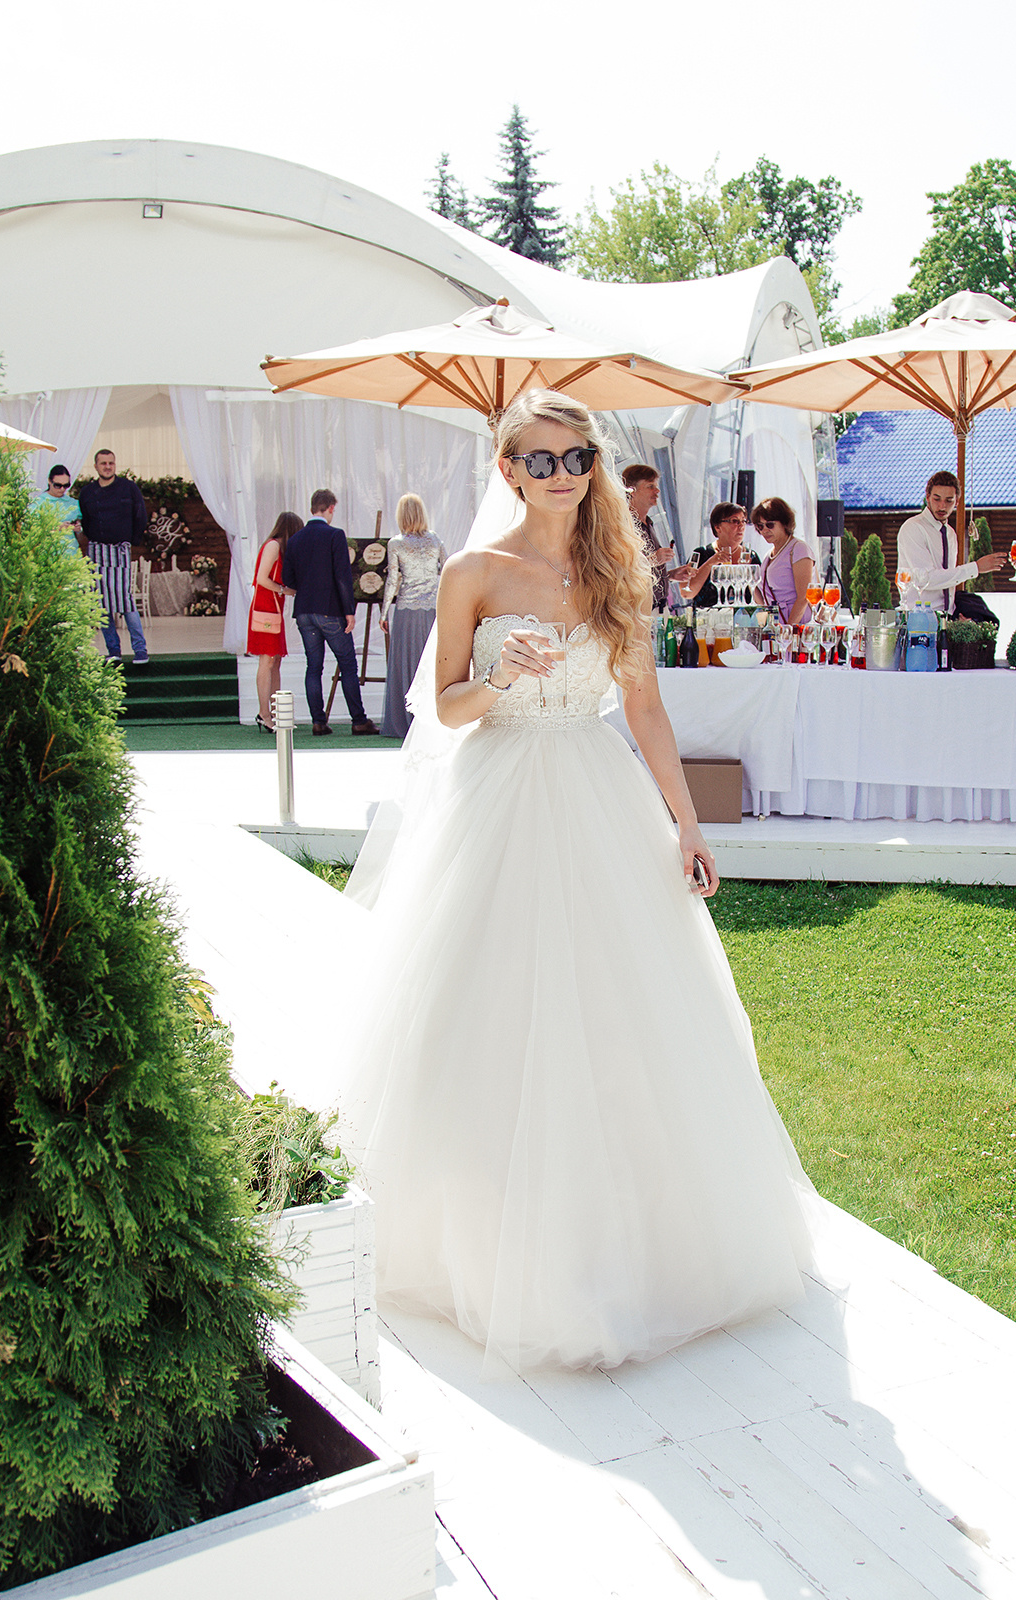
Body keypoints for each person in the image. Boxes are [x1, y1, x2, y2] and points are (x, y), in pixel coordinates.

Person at [336, 388, 812, 1374]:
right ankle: (484, 1235)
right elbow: (450, 711)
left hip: (599, 796)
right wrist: (499, 672)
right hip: (498, 795)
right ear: (507, 470)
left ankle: (632, 1242)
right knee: (488, 1009)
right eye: (540, 459)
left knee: (622, 1013)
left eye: (577, 457)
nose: (561, 474)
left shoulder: (616, 570)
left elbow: (645, 711)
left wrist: (686, 820)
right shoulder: (473, 570)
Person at [284, 489, 379, 736]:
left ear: (312, 507)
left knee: (313, 667)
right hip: (331, 612)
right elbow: (343, 576)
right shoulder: (335, 535)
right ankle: (358, 720)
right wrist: (349, 611)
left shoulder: (295, 540)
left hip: (304, 611)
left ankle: (318, 721)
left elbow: (288, 579)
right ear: (331, 508)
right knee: (347, 665)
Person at [895, 471, 1008, 612]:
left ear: (957, 501)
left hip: (947, 618)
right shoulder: (913, 528)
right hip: (919, 617)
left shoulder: (950, 533)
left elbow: (948, 580)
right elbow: (927, 579)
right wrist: (976, 568)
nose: (942, 506)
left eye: (949, 501)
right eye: (937, 499)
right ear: (928, 497)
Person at [76, 449, 150, 664]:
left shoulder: (128, 488)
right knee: (101, 602)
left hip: (120, 549)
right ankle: (113, 650)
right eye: (103, 463)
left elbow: (140, 515)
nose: (107, 466)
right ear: (96, 466)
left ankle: (140, 650)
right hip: (97, 550)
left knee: (125, 599)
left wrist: (131, 540)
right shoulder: (87, 492)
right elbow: (86, 521)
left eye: (111, 463)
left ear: (115, 465)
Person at [380, 493, 444, 736]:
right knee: (430, 661)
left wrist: (384, 612)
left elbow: (393, 581)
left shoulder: (396, 543)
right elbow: (446, 570)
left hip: (407, 611)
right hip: (431, 610)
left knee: (406, 662)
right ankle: (432, 718)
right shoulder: (435, 540)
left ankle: (405, 719)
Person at [247, 511, 301, 731]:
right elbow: (260, 578)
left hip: (273, 607)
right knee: (267, 661)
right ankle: (264, 713)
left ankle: (274, 712)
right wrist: (284, 590)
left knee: (275, 661)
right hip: (266, 607)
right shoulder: (273, 546)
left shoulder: (277, 547)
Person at [622, 463, 690, 612]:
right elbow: (621, 569)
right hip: (637, 611)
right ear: (632, 490)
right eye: (650, 486)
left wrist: (670, 575)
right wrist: (654, 559)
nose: (657, 491)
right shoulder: (623, 526)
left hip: (657, 609)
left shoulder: (648, 523)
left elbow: (645, 573)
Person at [753, 498, 815, 625]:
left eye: (770, 524)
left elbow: (804, 597)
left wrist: (789, 630)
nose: (764, 530)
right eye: (760, 526)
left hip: (797, 623)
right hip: (777, 624)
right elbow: (763, 598)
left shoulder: (798, 548)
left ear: (784, 523)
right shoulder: (768, 555)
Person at [34, 464, 84, 559]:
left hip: (71, 555)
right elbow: (31, 529)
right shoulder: (38, 503)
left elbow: (84, 524)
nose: (62, 489)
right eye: (58, 485)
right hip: (46, 556)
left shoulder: (73, 503)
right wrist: (57, 527)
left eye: (66, 486)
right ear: (49, 481)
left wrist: (78, 526)